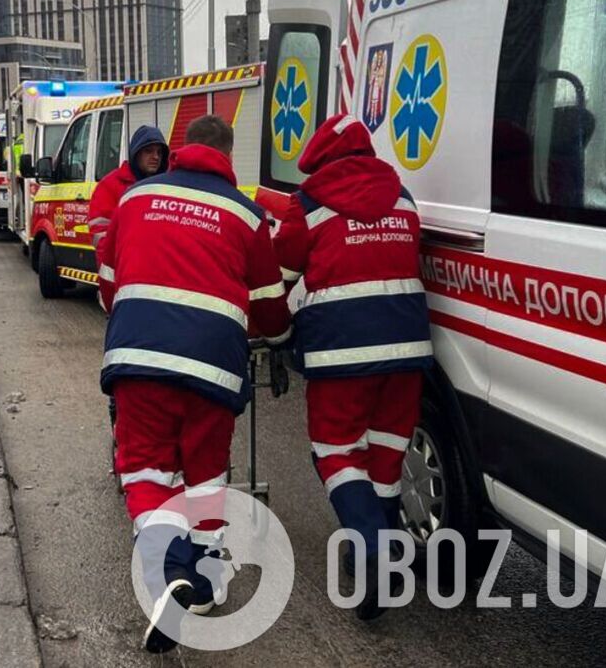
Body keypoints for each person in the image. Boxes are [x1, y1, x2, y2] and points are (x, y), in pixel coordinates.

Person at [96, 114, 290, 653]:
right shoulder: (245, 214)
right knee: (205, 475)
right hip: (212, 365)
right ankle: (200, 582)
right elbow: (270, 303)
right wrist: (279, 336)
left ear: (181, 151)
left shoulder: (134, 199)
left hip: (139, 358)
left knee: (146, 469)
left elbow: (109, 284)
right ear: (229, 156)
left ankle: (168, 569)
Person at [272, 113, 434, 621]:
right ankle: (380, 554)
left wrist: (275, 331)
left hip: (341, 353)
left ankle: (372, 545)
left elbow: (277, 276)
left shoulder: (308, 206)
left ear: (319, 159)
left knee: (336, 452)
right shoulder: (402, 197)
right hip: (407, 350)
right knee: (386, 451)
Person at [91, 124, 169, 285]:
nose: (155, 157)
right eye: (149, 151)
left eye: (159, 152)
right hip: (127, 276)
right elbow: (101, 238)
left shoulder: (167, 187)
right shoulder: (110, 186)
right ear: (136, 153)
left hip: (161, 277)